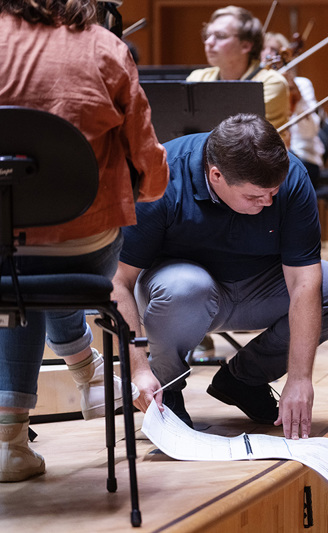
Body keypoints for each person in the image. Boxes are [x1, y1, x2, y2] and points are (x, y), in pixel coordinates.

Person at [111, 113, 328, 439]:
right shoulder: (162, 175)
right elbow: (118, 281)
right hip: (183, 294)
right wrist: (138, 369)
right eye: (254, 197)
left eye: (273, 192)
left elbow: (304, 282)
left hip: (260, 286)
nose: (268, 202)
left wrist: (300, 378)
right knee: (186, 287)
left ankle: (244, 379)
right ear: (216, 175)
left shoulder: (292, 177)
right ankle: (167, 385)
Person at [0, 0, 169, 482]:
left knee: (16, 260)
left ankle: (10, 443)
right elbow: (149, 169)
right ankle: (89, 373)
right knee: (42, 259)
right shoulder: (104, 48)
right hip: (83, 245)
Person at [187, 6, 291, 143]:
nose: (209, 42)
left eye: (220, 36)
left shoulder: (271, 82)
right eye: (207, 35)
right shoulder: (198, 78)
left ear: (246, 45)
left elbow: (241, 138)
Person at [262, 31, 325, 188]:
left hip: (303, 157)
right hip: (264, 157)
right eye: (263, 49)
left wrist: (295, 94)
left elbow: (310, 131)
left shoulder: (301, 84)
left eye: (274, 50)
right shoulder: (255, 85)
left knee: (280, 172)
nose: (269, 54)